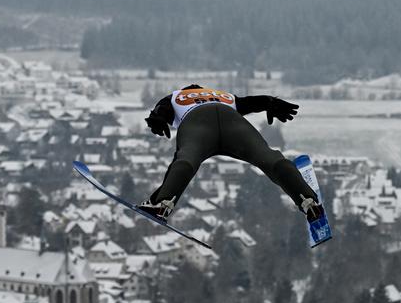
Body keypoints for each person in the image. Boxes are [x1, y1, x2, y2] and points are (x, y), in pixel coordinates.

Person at [139, 84, 325, 223]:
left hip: (197, 121)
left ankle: (162, 203)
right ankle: (307, 200)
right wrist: (270, 102)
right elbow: (250, 102)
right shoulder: (223, 96)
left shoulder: (176, 96)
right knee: (267, 157)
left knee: (187, 158)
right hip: (232, 121)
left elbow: (161, 111)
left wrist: (157, 119)